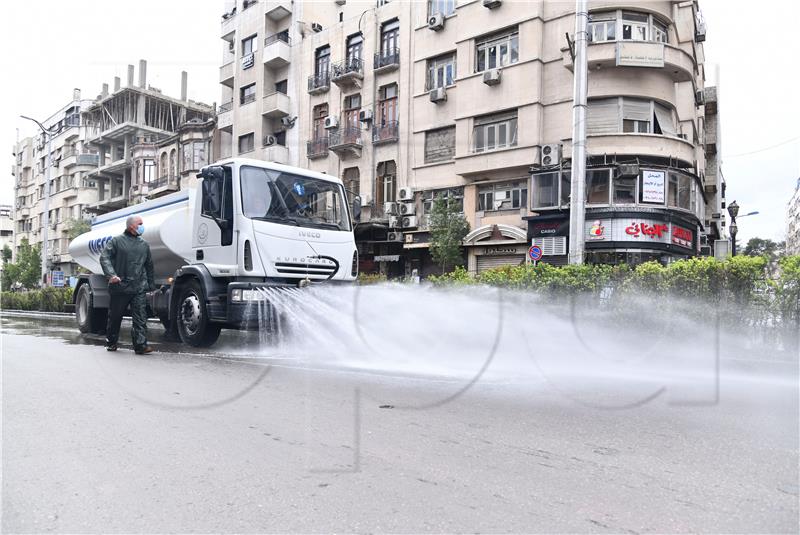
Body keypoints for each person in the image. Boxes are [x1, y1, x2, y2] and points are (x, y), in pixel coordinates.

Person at [99, 215, 155, 354]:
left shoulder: (144, 245)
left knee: (140, 317)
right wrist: (111, 275)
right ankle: (111, 342)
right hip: (120, 286)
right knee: (115, 317)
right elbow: (104, 257)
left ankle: (140, 345)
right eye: (140, 223)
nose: (142, 225)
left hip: (138, 287)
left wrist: (151, 285)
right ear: (131, 226)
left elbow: (149, 266)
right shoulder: (117, 241)